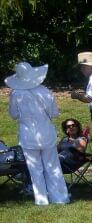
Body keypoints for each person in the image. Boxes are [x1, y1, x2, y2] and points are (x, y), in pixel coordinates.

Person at [5, 62, 69, 205]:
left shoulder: (16, 94)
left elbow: (14, 115)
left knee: (35, 169)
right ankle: (60, 198)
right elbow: (54, 113)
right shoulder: (45, 91)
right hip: (46, 133)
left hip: (28, 135)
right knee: (52, 166)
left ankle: (41, 199)